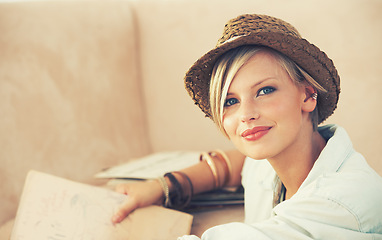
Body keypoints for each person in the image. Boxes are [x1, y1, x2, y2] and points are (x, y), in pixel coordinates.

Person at [111, 14, 382, 239]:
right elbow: (239, 163)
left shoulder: (342, 201)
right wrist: (168, 185)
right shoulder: (274, 156)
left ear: (308, 95)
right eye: (230, 100)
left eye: (265, 90)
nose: (246, 114)